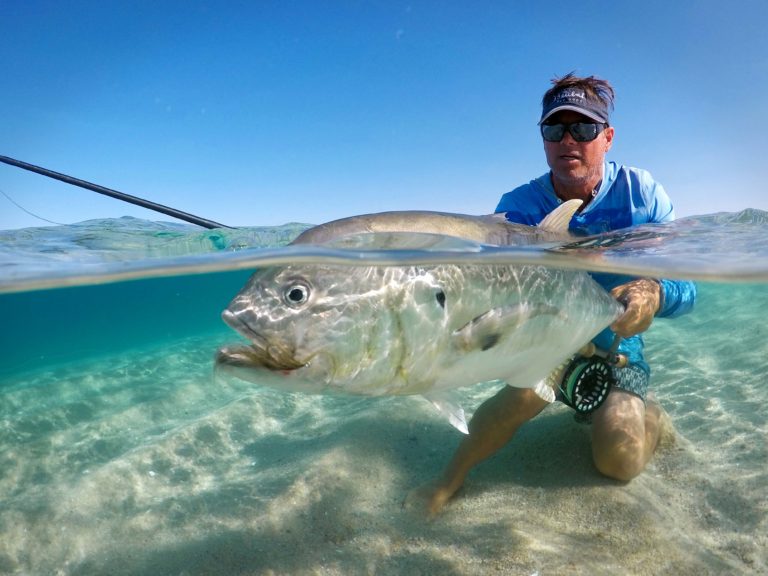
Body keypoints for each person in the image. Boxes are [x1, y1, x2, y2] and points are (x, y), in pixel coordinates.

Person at [410, 73, 697, 516]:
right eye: (554, 129)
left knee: (619, 462)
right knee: (511, 406)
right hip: (548, 338)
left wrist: (655, 294)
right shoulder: (519, 207)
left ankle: (649, 413)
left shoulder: (642, 195)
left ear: (607, 137)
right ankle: (447, 481)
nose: (568, 140)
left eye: (582, 129)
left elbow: (689, 286)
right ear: (543, 139)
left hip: (618, 345)